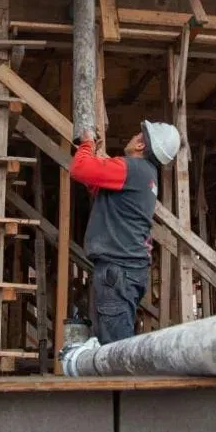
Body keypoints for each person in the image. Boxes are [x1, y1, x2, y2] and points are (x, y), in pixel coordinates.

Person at [69, 120, 181, 344]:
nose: (133, 136)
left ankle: (125, 381)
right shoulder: (144, 174)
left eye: (138, 134)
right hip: (126, 271)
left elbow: (79, 169)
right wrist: (91, 155)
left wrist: (86, 144)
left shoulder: (131, 168)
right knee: (114, 343)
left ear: (140, 144)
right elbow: (97, 185)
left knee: (115, 349)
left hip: (118, 271)